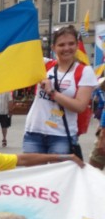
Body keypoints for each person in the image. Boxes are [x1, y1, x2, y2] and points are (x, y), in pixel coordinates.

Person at [24, 26, 97, 155]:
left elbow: (80, 106)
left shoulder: (85, 71)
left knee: (58, 175)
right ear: (53, 48)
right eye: (61, 45)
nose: (66, 48)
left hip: (61, 135)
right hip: (34, 131)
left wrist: (53, 93)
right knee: (34, 175)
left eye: (71, 44)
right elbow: (20, 56)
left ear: (77, 45)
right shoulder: (44, 65)